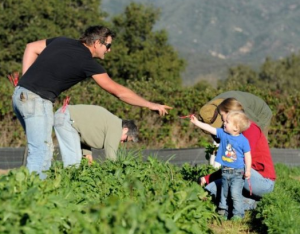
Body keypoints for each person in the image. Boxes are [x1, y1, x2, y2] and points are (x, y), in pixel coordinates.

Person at [12, 25, 172, 179]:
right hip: (37, 101)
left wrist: (26, 80)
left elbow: (31, 47)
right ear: (96, 43)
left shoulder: (61, 41)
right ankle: (30, 196)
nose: (109, 50)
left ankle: (26, 191)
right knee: (42, 150)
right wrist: (151, 105)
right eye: (108, 45)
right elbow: (119, 92)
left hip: (19, 95)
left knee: (38, 148)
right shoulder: (87, 62)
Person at [199, 97, 276, 211]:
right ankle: (248, 201)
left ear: (230, 114)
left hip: (263, 182)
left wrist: (208, 177)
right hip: (244, 178)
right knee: (211, 189)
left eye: (222, 117)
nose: (222, 121)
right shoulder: (236, 132)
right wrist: (208, 181)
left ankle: (251, 202)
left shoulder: (250, 129)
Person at [191, 111, 252, 220]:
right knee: (224, 193)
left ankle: (238, 214)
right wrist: (196, 123)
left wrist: (248, 170)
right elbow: (210, 128)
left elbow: (248, 156)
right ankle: (223, 212)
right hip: (225, 171)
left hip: (238, 173)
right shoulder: (223, 134)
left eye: (227, 122)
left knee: (235, 194)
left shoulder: (244, 141)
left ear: (236, 128)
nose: (224, 123)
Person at [54, 105, 138, 167]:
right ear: (125, 130)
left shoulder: (111, 122)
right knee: (73, 162)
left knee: (75, 162)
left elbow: (84, 131)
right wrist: (116, 173)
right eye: (126, 139)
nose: (122, 142)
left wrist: (87, 153)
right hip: (67, 117)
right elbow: (111, 155)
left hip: (63, 115)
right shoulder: (116, 126)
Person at [199, 90, 272, 138]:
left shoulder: (237, 106)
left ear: (225, 112)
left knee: (257, 142)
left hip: (260, 114)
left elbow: (256, 126)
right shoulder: (208, 110)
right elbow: (216, 133)